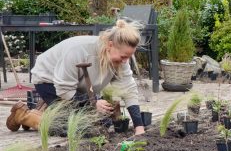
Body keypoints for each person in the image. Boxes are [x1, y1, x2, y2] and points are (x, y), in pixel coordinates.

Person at [6, 19, 145, 135]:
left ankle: (47, 111)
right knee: (81, 129)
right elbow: (64, 89)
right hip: (50, 82)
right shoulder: (80, 51)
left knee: (103, 123)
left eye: (128, 57)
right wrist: (93, 103)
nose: (125, 61)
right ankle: (25, 116)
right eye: (123, 57)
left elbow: (129, 89)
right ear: (110, 45)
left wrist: (139, 127)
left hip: (77, 89)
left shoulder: (121, 60)